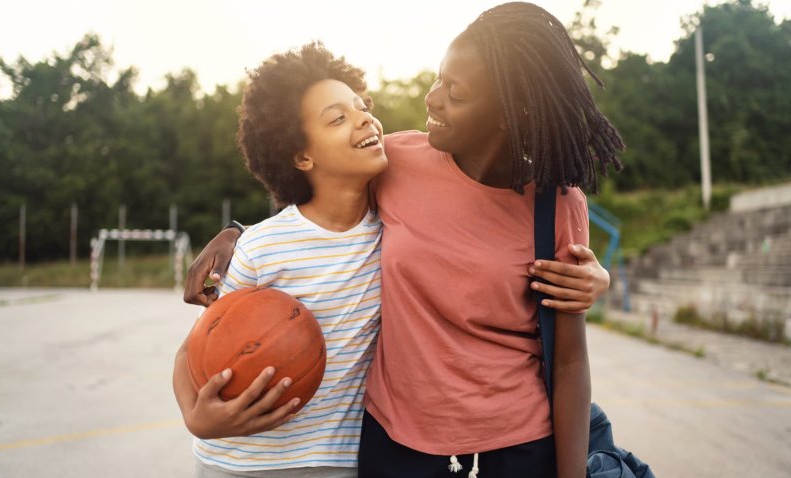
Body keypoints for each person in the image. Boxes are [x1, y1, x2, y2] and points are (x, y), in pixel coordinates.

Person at [184, 3, 623, 477]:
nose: (432, 98)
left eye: (454, 92)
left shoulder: (557, 204)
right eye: (439, 78)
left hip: (516, 443)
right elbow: (321, 194)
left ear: (509, 112)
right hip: (398, 441)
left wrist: (600, 281)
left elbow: (570, 362)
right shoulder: (398, 161)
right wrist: (239, 233)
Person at [173, 42, 388, 477]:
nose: (364, 116)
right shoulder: (262, 247)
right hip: (237, 463)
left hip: (335, 462)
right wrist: (195, 415)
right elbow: (194, 349)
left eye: (361, 105)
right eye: (337, 117)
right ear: (302, 156)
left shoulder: (397, 231)